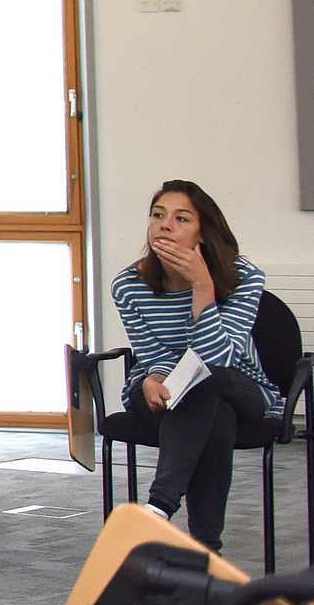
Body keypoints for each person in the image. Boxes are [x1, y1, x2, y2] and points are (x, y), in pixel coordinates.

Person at [110, 179, 277, 552]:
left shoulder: (244, 277)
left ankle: (160, 504)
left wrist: (202, 286)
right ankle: (204, 546)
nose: (165, 225)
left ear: (204, 231)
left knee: (210, 383)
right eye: (158, 215)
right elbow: (150, 354)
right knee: (213, 416)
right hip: (167, 389)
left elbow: (219, 359)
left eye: (181, 218)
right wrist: (152, 378)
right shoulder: (129, 284)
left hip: (238, 387)